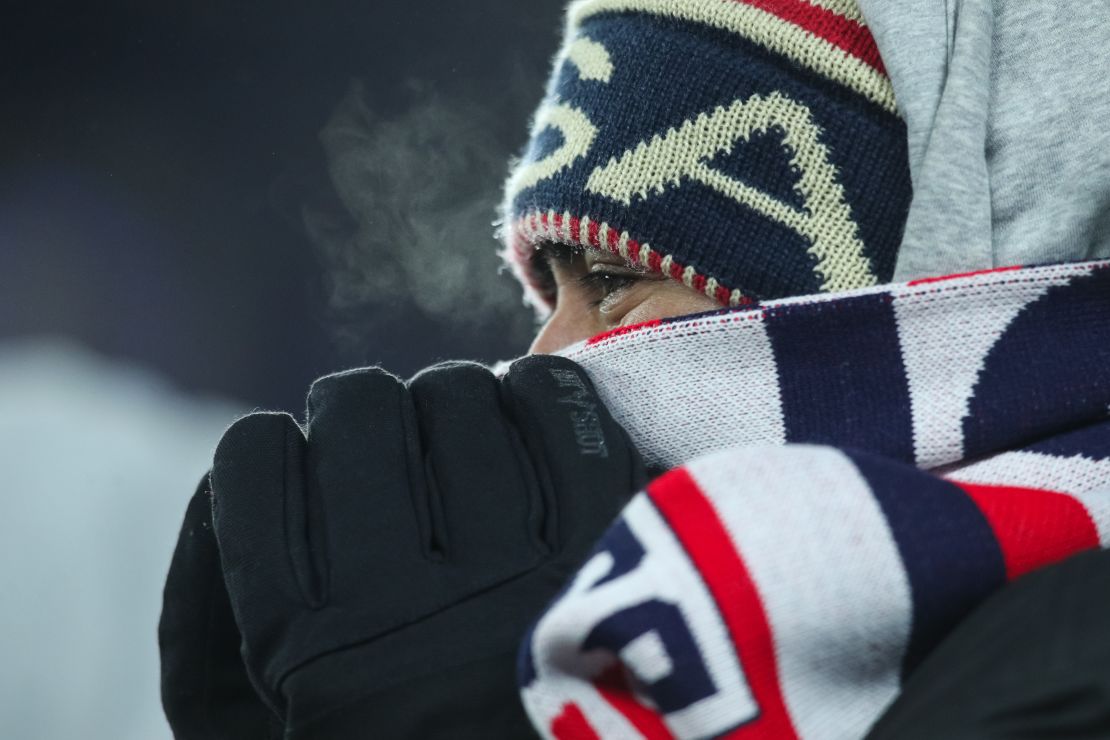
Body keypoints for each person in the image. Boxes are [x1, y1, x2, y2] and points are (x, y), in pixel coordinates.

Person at [159, 0, 1110, 738]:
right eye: (549, 298)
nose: (545, 364)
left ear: (924, 300)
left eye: (617, 284)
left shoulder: (1074, 665)